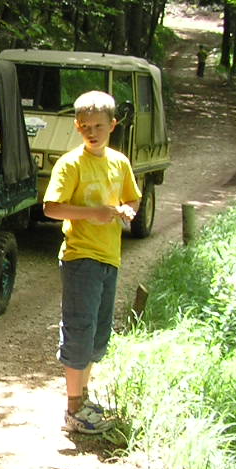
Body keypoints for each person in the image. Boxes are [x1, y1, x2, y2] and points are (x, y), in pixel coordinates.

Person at [42, 90, 140, 435]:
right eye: (85, 126)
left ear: (113, 125)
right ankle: (73, 408)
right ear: (77, 126)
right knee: (80, 330)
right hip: (80, 256)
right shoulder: (71, 164)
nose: (92, 132)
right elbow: (51, 208)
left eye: (98, 126)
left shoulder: (119, 162)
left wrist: (127, 210)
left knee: (98, 334)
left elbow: (132, 198)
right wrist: (92, 214)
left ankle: (83, 399)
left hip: (110, 256)